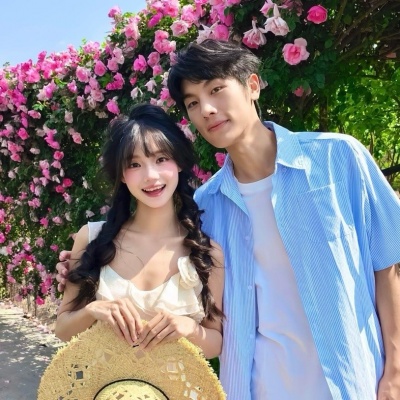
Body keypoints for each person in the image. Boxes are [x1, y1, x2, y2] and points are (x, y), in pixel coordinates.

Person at [56, 40, 400, 399]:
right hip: (254, 388)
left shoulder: (338, 159)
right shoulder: (207, 207)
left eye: (216, 89)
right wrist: (84, 263)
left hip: (350, 382)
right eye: (192, 102)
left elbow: (387, 264)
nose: (206, 109)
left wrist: (395, 371)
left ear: (252, 86)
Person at [54, 103, 224, 360]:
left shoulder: (207, 253)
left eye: (161, 159)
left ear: (178, 162)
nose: (150, 176)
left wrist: (189, 328)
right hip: (106, 383)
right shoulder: (91, 238)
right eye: (134, 164)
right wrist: (93, 310)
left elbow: (215, 345)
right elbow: (63, 330)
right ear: (122, 175)